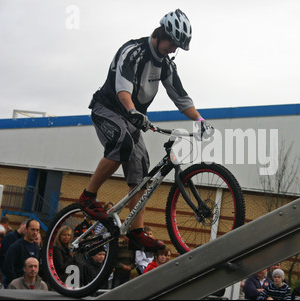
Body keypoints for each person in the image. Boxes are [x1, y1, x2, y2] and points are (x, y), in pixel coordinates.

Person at [77, 8, 213, 252]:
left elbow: (181, 98)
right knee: (123, 142)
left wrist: (200, 120)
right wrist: (132, 111)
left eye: (178, 47)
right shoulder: (132, 51)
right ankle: (88, 196)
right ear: (161, 34)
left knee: (141, 171)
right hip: (107, 108)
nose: (174, 50)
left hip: (133, 118)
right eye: (173, 43)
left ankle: (137, 232)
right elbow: (122, 88)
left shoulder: (166, 65)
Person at [2, 219, 41, 288]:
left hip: (31, 286)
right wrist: (17, 282)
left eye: (37, 230)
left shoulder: (37, 248)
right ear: (26, 230)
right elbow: (8, 267)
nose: (35, 232)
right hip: (16, 286)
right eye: (32, 229)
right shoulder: (16, 246)